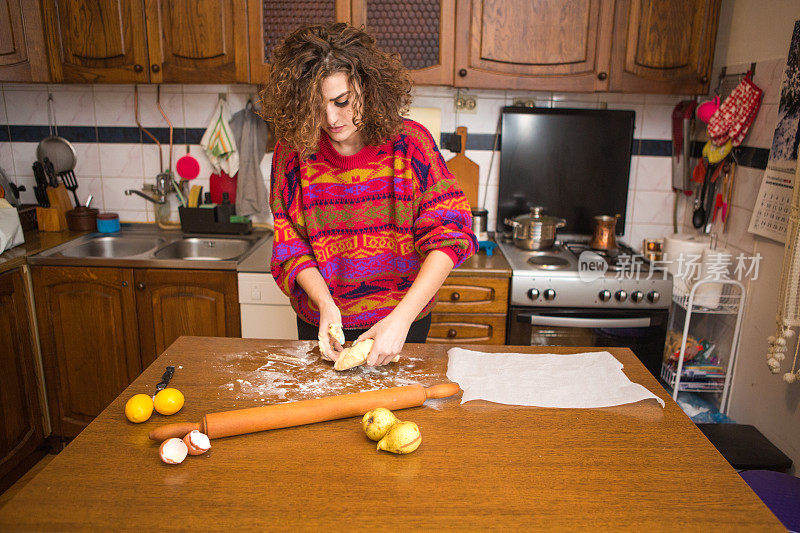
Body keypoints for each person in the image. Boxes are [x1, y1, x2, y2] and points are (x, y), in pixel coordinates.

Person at [260, 22, 476, 366]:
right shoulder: (293, 153)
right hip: (322, 319)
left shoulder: (411, 144)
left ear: (367, 86)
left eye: (342, 101)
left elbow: (450, 235)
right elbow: (291, 246)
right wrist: (325, 306)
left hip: (402, 322)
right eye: (316, 106)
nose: (331, 119)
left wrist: (402, 318)